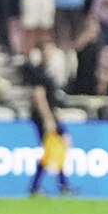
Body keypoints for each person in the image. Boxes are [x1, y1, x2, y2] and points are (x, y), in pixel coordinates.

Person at [25, 41, 76, 196]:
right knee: (52, 149)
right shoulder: (39, 71)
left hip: (51, 115)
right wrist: (47, 118)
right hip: (43, 117)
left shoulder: (47, 70)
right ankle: (41, 186)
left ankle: (61, 184)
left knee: (59, 146)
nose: (51, 53)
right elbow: (39, 96)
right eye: (48, 50)